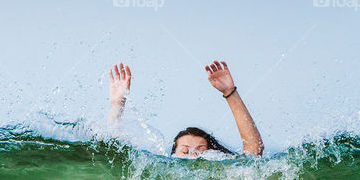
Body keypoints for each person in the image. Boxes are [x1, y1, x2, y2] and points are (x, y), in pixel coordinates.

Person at [107, 60, 264, 158]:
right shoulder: (166, 167)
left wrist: (230, 93)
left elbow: (254, 151)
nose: (194, 155)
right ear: (173, 154)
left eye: (202, 151)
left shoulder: (219, 168)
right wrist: (117, 105)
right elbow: (109, 150)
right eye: (185, 151)